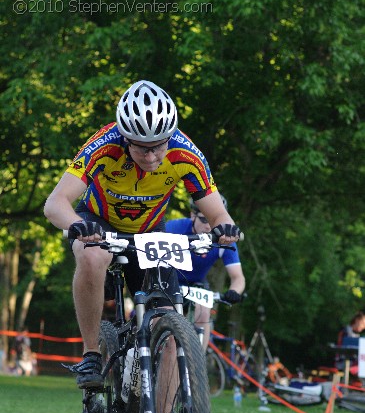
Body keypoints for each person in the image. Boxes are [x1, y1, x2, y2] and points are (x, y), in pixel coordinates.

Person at [43, 79, 242, 391]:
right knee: (93, 254)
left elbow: (218, 213)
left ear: (170, 137)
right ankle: (92, 353)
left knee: (169, 319)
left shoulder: (186, 153)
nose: (151, 157)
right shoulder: (103, 144)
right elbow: (55, 203)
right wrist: (76, 225)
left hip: (149, 231)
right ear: (125, 137)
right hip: (98, 220)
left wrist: (225, 228)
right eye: (141, 147)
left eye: (159, 146)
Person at [166, 195, 245, 351]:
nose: (209, 227)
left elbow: (238, 277)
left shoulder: (224, 239)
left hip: (196, 285)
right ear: (192, 215)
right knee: (166, 317)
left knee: (203, 311)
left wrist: (234, 292)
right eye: (204, 220)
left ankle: (197, 366)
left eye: (213, 221)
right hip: (169, 280)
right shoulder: (173, 229)